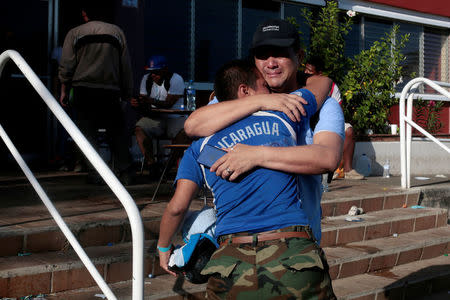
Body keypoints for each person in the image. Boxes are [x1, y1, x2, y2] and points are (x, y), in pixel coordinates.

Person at [158, 57, 340, 298]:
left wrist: (163, 247)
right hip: (294, 254)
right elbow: (322, 85)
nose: (272, 92)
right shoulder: (284, 115)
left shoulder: (199, 147)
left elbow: (177, 207)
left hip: (232, 261)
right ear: (246, 91)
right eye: (264, 86)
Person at [58, 1, 135, 185]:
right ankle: (126, 172)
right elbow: (125, 66)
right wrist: (127, 92)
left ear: (85, 14)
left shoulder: (75, 33)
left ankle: (96, 173)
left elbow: (67, 64)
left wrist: (64, 90)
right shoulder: (117, 33)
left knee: (87, 134)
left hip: (83, 89)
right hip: (110, 90)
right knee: (116, 132)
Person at [305, 55, 364, 180]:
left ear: (319, 74)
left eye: (309, 72)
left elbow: (338, 113)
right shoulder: (300, 84)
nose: (305, 73)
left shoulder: (331, 87)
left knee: (348, 130)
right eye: (305, 70)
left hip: (326, 123)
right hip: (307, 122)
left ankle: (347, 170)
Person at [130, 55, 185, 173]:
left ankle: (168, 167)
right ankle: (152, 165)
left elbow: (169, 103)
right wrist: (137, 103)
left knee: (185, 132)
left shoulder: (175, 79)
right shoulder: (147, 79)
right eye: (151, 72)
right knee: (140, 128)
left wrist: (150, 101)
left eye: (156, 72)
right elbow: (144, 102)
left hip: (174, 117)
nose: (153, 75)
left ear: (165, 70)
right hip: (155, 118)